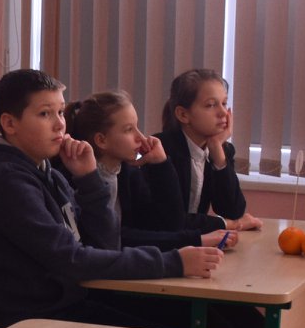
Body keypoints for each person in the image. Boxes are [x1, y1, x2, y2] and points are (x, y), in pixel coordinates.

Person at [0, 69, 220, 328]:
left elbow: (106, 245)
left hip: (60, 310)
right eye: (45, 114)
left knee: (195, 323)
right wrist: (172, 262)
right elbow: (72, 260)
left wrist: (88, 178)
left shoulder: (50, 174)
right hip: (25, 327)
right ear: (10, 123)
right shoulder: (5, 182)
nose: (59, 125)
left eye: (60, 112)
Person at [64, 90, 234, 251]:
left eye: (137, 127)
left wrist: (161, 164)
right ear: (102, 140)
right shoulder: (77, 180)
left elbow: (170, 223)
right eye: (129, 129)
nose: (141, 137)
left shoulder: (127, 171)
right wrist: (195, 240)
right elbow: (117, 239)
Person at [156, 69, 262, 233]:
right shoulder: (161, 151)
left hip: (193, 242)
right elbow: (173, 221)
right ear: (183, 114)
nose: (223, 113)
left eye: (224, 103)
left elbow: (232, 211)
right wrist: (227, 224)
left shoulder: (221, 149)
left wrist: (217, 151)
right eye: (211, 105)